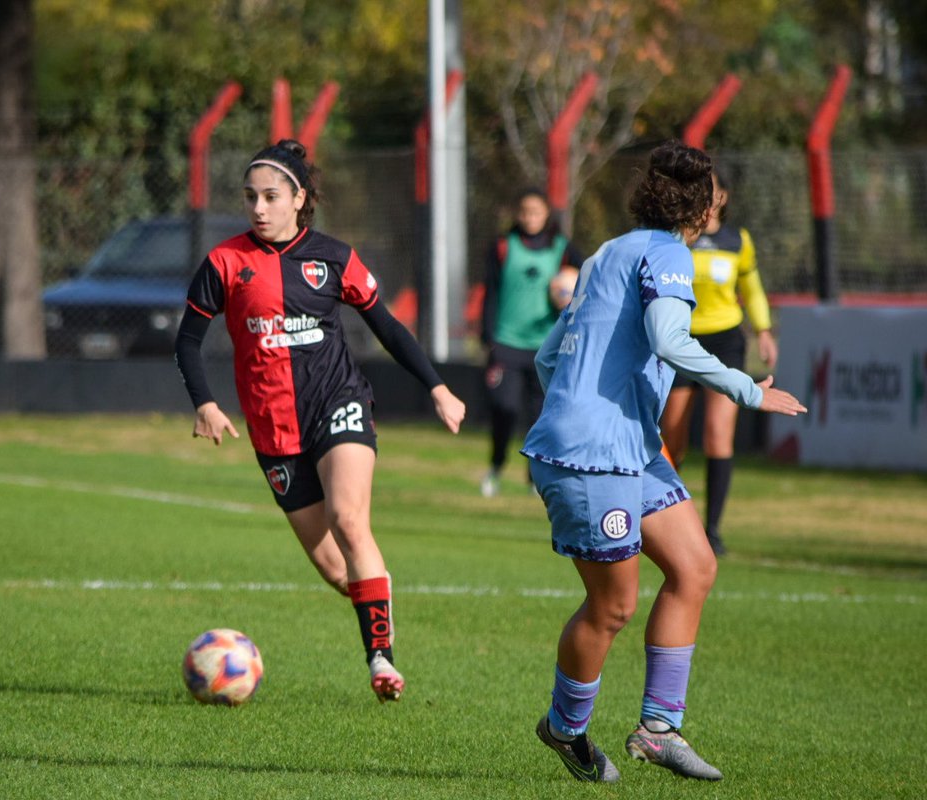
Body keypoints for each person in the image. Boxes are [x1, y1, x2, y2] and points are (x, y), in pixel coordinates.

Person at [521, 141, 805, 781]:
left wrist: (580, 408)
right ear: (701, 207)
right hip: (594, 459)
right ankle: (566, 729)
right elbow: (669, 339)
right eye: (717, 200)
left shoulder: (606, 252)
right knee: (613, 607)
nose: (720, 209)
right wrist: (746, 388)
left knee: (694, 564)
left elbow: (548, 356)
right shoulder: (670, 254)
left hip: (630, 451)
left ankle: (658, 729)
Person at [174, 139, 466, 703]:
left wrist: (437, 386)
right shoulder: (224, 263)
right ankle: (376, 598)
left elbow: (387, 326)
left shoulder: (334, 257)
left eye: (271, 196)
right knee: (337, 570)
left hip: (338, 403)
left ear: (298, 198)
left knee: (349, 519)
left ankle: (380, 658)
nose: (258, 208)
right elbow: (188, 340)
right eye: (250, 197)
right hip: (273, 430)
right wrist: (205, 402)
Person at [659, 170, 777, 555]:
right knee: (672, 438)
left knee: (717, 435)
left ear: (723, 197)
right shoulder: (677, 237)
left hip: (725, 341)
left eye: (713, 193)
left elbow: (752, 289)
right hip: (679, 341)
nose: (706, 200)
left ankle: (712, 530)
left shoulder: (737, 241)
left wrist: (763, 330)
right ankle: (661, 519)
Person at [479, 188, 582, 499]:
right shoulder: (502, 247)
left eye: (536, 212)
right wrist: (488, 338)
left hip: (547, 346)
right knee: (504, 407)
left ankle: (533, 477)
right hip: (507, 343)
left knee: (540, 415)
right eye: (525, 212)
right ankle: (496, 465)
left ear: (546, 214)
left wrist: (567, 295)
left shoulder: (562, 249)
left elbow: (586, 278)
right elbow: (491, 293)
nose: (530, 218)